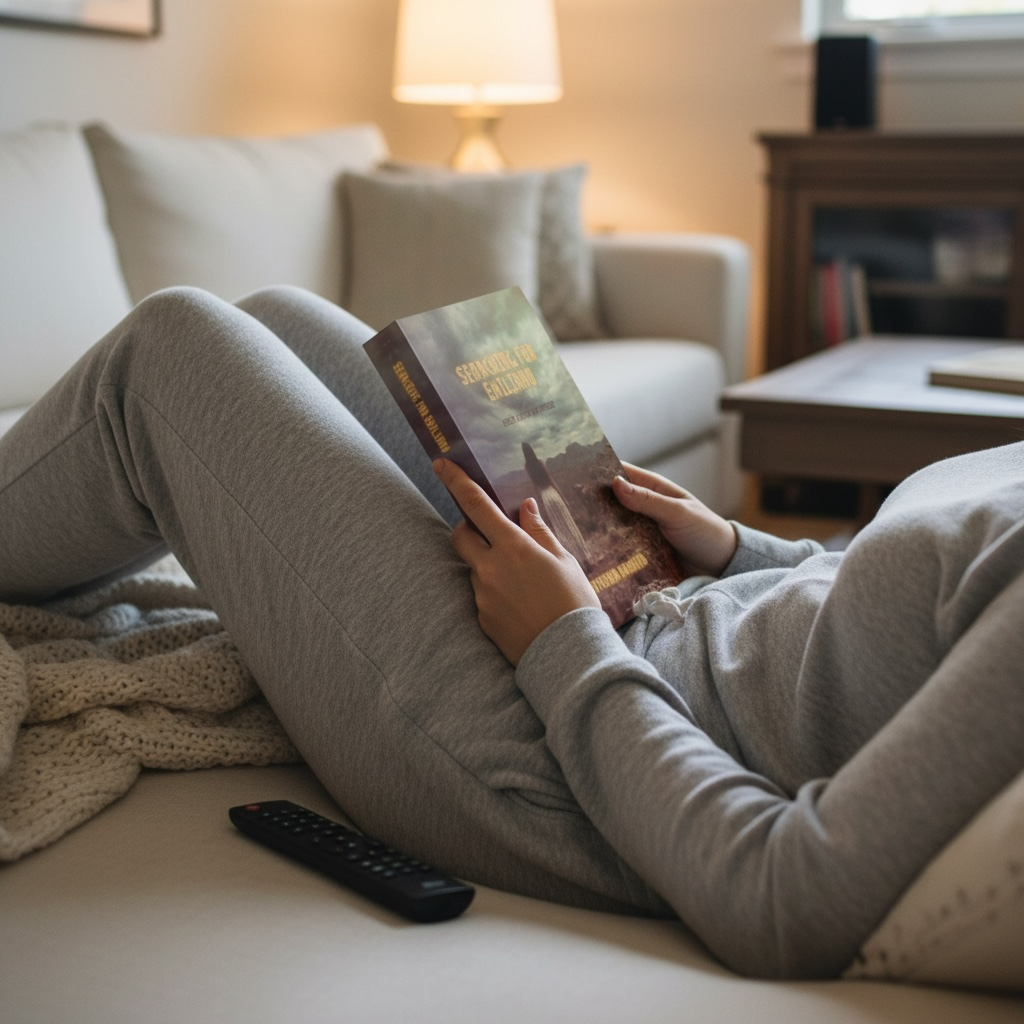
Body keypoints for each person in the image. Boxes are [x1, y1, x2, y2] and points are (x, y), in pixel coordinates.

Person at [1, 285, 1022, 980]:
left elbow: (786, 900)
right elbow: (883, 610)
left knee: (168, 355)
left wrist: (562, 641)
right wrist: (730, 548)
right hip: (641, 623)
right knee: (277, 318)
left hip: (569, 775)